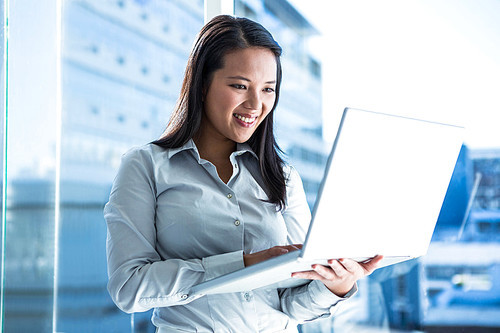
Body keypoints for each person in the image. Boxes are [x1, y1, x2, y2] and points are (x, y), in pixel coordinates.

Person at [104, 15, 382, 332]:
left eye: (268, 89)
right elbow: (129, 288)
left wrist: (336, 284)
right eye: (240, 86)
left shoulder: (283, 177)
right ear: (203, 83)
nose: (255, 104)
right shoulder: (145, 166)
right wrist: (245, 265)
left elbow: (293, 303)